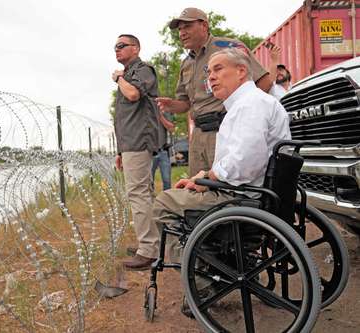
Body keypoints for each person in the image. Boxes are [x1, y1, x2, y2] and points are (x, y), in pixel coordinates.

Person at [152, 47, 291, 277]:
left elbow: (244, 162)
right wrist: (206, 177)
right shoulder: (251, 103)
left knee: (164, 202)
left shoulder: (250, 105)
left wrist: (208, 178)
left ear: (241, 71)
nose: (211, 77)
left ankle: (200, 276)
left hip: (242, 197)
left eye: (218, 69)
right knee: (184, 190)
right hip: (254, 191)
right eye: (208, 73)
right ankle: (212, 261)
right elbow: (242, 159)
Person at [156, 7, 273, 179]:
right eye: (180, 29)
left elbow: (264, 82)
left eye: (187, 27)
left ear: (204, 25)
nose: (182, 33)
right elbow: (185, 104)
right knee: (197, 188)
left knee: (226, 189)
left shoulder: (229, 48)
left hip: (224, 130)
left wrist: (239, 116)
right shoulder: (186, 63)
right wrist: (171, 105)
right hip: (198, 136)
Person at [112, 34, 160, 270]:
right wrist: (120, 150)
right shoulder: (130, 74)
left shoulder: (142, 70)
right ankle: (151, 243)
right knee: (144, 193)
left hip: (139, 141)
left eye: (122, 46)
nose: (117, 50)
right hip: (130, 143)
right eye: (115, 47)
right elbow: (124, 118)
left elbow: (133, 95)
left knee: (138, 194)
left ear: (136, 48)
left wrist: (119, 77)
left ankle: (148, 249)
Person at [151, 111, 175, 192]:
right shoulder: (144, 112)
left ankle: (167, 201)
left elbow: (171, 128)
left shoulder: (164, 112)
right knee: (149, 181)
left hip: (163, 151)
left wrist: (160, 116)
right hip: (149, 153)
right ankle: (150, 202)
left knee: (167, 180)